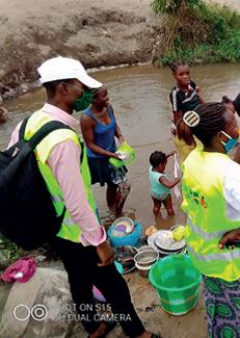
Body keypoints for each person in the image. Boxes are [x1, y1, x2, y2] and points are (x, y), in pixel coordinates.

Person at [7, 57, 155, 338]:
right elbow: (76, 201)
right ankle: (136, 332)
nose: (83, 93)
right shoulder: (62, 139)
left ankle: (94, 326)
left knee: (78, 279)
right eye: (79, 86)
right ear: (63, 88)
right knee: (114, 286)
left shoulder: (28, 123)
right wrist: (100, 242)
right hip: (77, 232)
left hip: (51, 225)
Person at [179, 103, 240, 337]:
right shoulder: (231, 174)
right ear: (220, 136)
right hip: (230, 262)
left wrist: (236, 160)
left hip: (203, 255)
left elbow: (215, 191)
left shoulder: (192, 159)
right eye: (233, 124)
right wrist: (239, 233)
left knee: (220, 305)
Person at [80, 87, 131, 216]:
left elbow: (114, 124)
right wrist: (112, 155)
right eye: (104, 97)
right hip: (97, 159)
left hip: (113, 155)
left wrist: (120, 137)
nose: (108, 99)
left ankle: (113, 210)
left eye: (107, 94)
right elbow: (90, 145)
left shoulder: (109, 107)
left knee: (116, 185)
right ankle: (116, 213)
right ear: (93, 100)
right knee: (122, 186)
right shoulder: (86, 118)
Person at [169, 61, 205, 163]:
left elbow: (198, 97)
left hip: (194, 121)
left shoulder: (191, 84)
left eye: (187, 73)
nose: (185, 76)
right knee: (189, 158)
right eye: (181, 74)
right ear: (174, 76)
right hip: (184, 127)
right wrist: (188, 138)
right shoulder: (175, 94)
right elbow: (178, 119)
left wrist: (208, 109)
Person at [149, 150, 180, 217]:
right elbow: (169, 185)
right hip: (164, 195)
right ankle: (171, 218)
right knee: (169, 208)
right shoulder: (160, 177)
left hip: (153, 193)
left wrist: (169, 154)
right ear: (160, 165)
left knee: (156, 206)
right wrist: (177, 180)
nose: (165, 166)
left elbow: (160, 160)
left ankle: (156, 215)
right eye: (164, 164)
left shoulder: (151, 168)